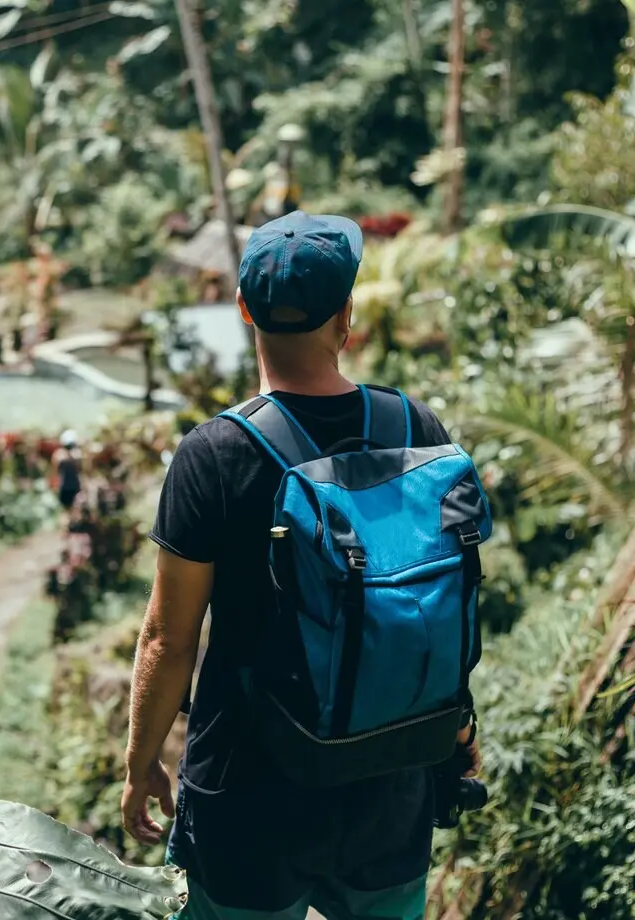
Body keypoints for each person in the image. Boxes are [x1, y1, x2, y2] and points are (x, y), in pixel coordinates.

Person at [121, 212, 483, 920]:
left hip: (252, 794)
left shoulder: (215, 455)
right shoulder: (418, 433)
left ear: (244, 311)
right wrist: (461, 734)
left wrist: (140, 767)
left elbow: (169, 638)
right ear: (346, 315)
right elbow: (440, 602)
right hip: (392, 780)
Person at [51, 429, 84, 511]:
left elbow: (81, 469)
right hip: (65, 487)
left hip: (74, 486)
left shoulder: (76, 455)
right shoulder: (59, 455)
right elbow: (55, 471)